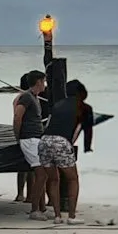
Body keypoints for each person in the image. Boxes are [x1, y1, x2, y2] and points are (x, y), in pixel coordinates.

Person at [38, 79, 87, 223]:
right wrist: (70, 144)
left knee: (53, 179)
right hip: (61, 141)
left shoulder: (58, 105)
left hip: (45, 140)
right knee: (73, 179)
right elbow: (78, 129)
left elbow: (48, 123)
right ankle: (71, 216)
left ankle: (57, 216)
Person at [12, 70, 48, 217]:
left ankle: (41, 207)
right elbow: (17, 116)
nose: (45, 84)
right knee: (41, 173)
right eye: (44, 81)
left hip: (36, 138)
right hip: (29, 139)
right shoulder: (26, 97)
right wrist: (18, 136)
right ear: (38, 82)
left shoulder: (35, 97)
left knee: (42, 172)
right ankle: (35, 210)